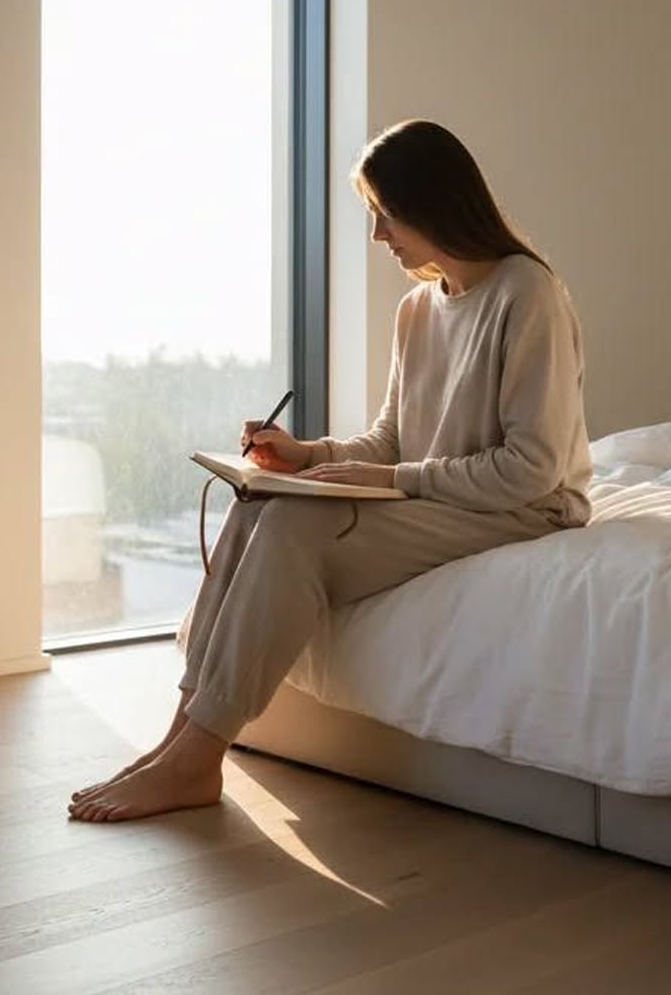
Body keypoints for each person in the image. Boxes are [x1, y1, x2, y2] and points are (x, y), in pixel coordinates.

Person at [69, 119, 592, 822]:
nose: (379, 236)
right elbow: (392, 441)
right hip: (445, 502)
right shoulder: (417, 312)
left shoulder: (527, 293)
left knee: (293, 527)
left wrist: (389, 482)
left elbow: (531, 469)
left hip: (521, 509)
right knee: (260, 502)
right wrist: (307, 456)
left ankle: (197, 757)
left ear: (432, 203)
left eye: (385, 214)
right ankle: (179, 741)